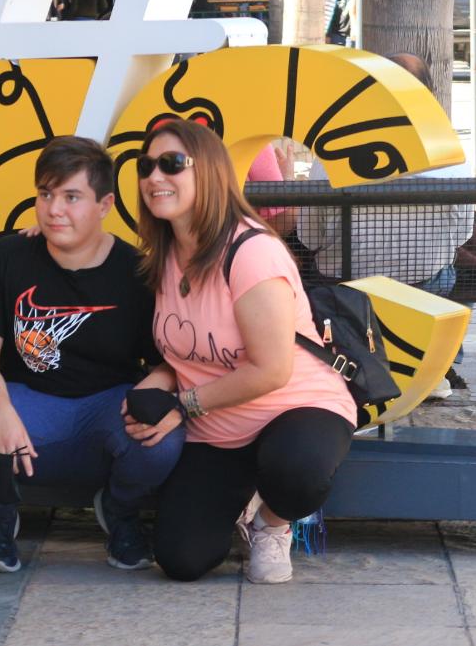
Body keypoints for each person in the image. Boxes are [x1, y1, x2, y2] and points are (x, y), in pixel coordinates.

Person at [126, 118, 356, 585]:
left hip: (294, 405)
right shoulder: (162, 254)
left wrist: (181, 405)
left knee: (300, 471)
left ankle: (272, 521)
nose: (154, 176)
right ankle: (242, 498)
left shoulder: (251, 251)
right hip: (216, 427)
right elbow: (184, 350)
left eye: (172, 163)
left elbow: (271, 370)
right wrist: (156, 385)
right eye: (145, 166)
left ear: (209, 171)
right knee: (182, 559)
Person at [0, 137, 182, 574]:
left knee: (161, 440)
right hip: (28, 401)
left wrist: (153, 392)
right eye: (45, 194)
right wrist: (0, 409)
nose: (54, 210)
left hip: (106, 406)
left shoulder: (137, 271)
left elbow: (169, 361)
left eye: (72, 197)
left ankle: (119, 511)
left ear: (104, 205)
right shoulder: (7, 257)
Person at [294, 53, 475, 398]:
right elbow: (462, 235)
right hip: (424, 285)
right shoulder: (450, 151)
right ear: (426, 95)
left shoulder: (331, 151)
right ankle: (434, 364)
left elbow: (309, 237)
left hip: (346, 286)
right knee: (457, 271)